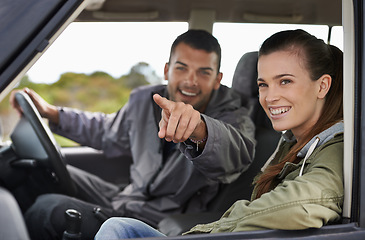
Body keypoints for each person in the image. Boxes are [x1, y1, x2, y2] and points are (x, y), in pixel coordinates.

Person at [94, 28, 344, 239]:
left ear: (322, 85)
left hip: (214, 232)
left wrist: (204, 233)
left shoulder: (336, 146)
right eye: (263, 84)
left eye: (285, 81)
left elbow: (302, 203)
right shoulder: (290, 141)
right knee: (117, 227)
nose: (270, 96)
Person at [10, 29, 256, 239]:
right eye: (182, 68)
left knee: (48, 208)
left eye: (204, 72)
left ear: (217, 79)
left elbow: (237, 153)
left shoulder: (234, 113)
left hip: (162, 218)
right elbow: (107, 131)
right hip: (126, 196)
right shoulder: (144, 100)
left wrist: (201, 129)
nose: (190, 81)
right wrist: (52, 113)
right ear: (167, 70)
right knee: (33, 169)